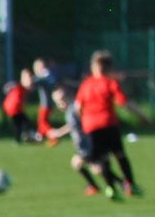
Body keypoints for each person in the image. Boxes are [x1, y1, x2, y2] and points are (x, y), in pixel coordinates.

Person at [74, 50, 146, 198]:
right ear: (109, 67)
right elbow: (124, 102)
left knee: (102, 159)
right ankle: (130, 186)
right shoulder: (110, 82)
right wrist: (142, 116)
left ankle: (111, 188)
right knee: (120, 155)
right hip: (108, 123)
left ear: (93, 66)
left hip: (91, 127)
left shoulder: (86, 84)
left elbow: (77, 107)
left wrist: (84, 121)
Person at [43, 86, 107, 196]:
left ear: (69, 97)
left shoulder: (73, 110)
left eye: (62, 100)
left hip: (86, 145)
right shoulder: (72, 110)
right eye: (58, 102)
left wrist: (58, 133)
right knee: (82, 165)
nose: (60, 104)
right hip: (85, 145)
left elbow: (73, 126)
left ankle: (121, 184)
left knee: (96, 168)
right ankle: (96, 186)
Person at [1, 69, 33, 144]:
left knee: (19, 124)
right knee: (23, 123)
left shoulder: (19, 87)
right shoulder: (19, 88)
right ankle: (25, 136)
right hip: (13, 109)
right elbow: (17, 99)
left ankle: (19, 139)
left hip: (11, 108)